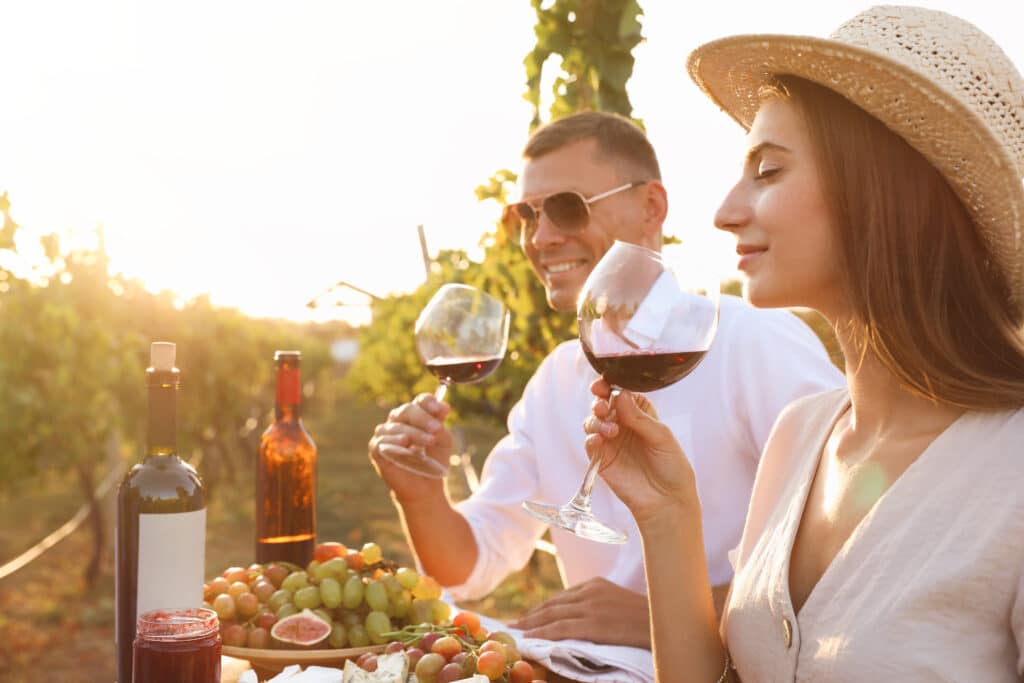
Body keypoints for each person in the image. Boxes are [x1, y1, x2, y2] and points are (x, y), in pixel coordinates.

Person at [583, 5, 1024, 680]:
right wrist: (669, 516)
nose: (726, 211)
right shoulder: (800, 434)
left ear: (881, 190)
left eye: (768, 170)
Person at [368, 111, 844, 649]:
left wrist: (660, 617)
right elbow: (469, 566)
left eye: (567, 208)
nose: (541, 238)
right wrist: (421, 494)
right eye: (526, 216)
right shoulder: (554, 382)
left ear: (651, 207)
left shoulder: (754, 341)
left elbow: (853, 552)